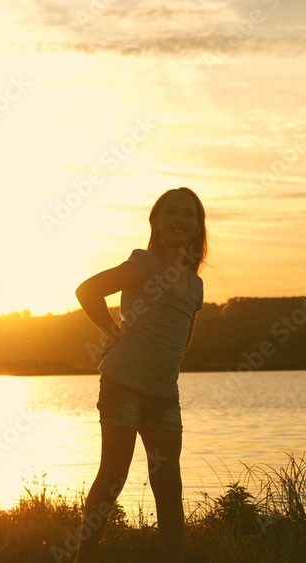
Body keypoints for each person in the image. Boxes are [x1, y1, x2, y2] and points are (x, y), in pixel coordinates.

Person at [72, 187, 207, 562]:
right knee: (112, 477)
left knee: (168, 486)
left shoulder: (195, 284)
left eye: (189, 215)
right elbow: (87, 291)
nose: (180, 219)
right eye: (172, 213)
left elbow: (183, 336)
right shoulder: (143, 264)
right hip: (122, 387)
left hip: (164, 396)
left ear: (198, 228)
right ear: (156, 223)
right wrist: (110, 329)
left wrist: (168, 364)